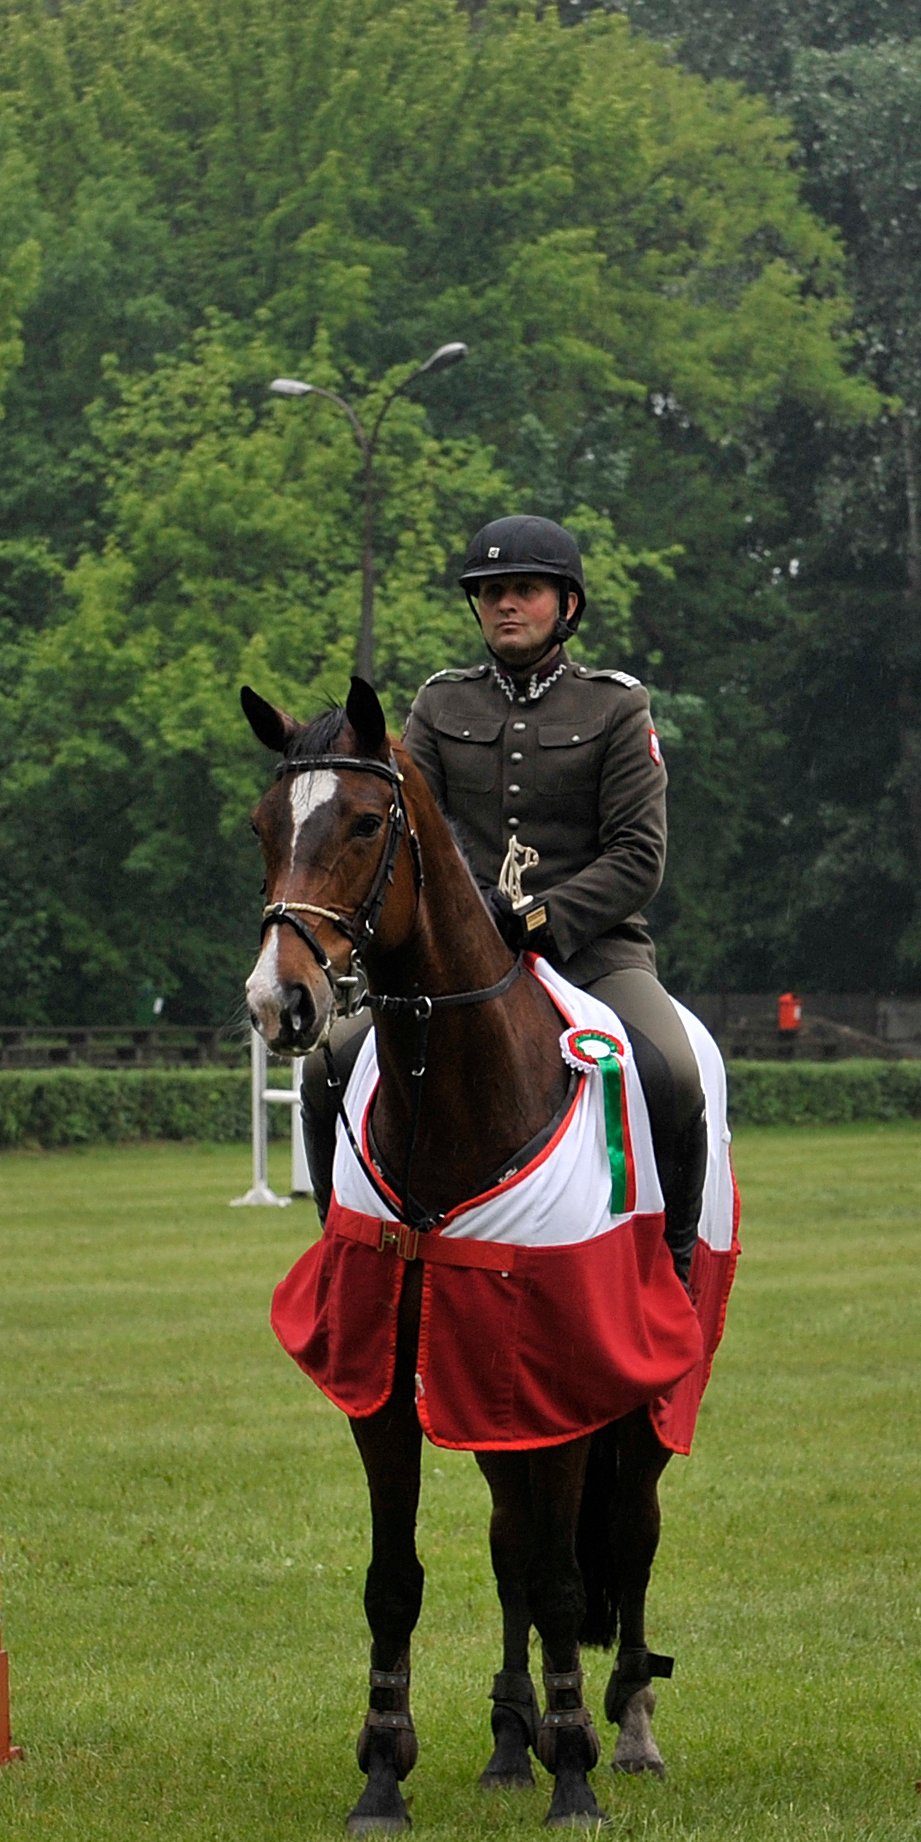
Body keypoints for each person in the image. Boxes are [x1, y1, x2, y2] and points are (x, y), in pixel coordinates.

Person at [329, 513, 709, 1273]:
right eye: (491, 591)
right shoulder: (440, 706)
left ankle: (675, 1257)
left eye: (525, 590)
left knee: (672, 1071)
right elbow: (414, 840)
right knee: (328, 1064)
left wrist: (539, 916)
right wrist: (467, 920)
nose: (505, 604)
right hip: (460, 959)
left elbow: (639, 856)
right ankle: (341, 1240)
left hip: (592, 952)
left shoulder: (615, 707)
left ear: (566, 605)